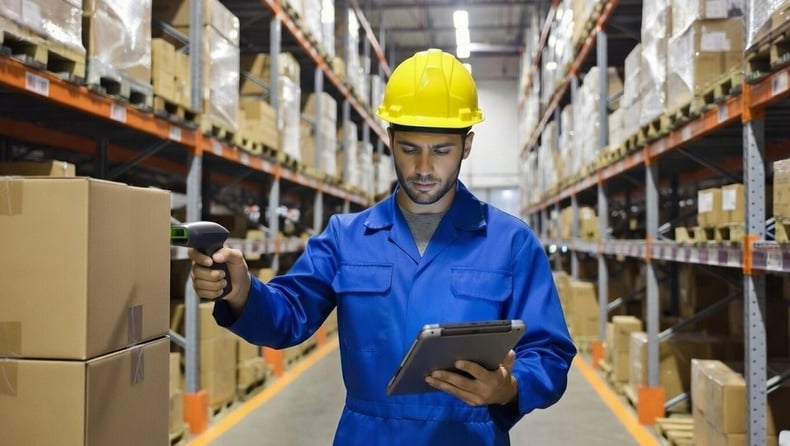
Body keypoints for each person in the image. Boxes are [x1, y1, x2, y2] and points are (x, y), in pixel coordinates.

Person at [189, 48, 576, 446]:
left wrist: (509, 389)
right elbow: (287, 316)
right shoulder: (346, 237)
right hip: (369, 435)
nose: (424, 168)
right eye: (409, 148)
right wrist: (241, 292)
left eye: (441, 150)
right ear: (390, 140)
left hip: (467, 436)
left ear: (467, 145)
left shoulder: (510, 242)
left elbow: (549, 352)